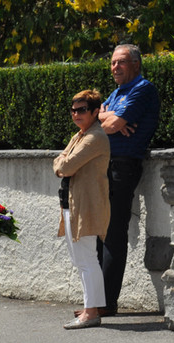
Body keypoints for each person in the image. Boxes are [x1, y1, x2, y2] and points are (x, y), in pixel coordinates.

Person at [96, 44, 160, 317]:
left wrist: (108, 119)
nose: (115, 67)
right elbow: (95, 123)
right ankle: (96, 300)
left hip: (123, 167)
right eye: (112, 63)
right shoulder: (116, 93)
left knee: (113, 234)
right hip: (104, 166)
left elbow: (109, 126)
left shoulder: (143, 89)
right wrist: (106, 117)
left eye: (121, 62)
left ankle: (105, 303)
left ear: (136, 64)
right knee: (100, 233)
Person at [55, 90, 110, 330]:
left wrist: (61, 163)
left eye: (82, 110)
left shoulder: (95, 137)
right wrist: (62, 163)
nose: (76, 114)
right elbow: (62, 163)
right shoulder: (80, 135)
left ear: (95, 112)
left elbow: (65, 165)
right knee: (81, 259)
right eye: (73, 110)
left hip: (87, 206)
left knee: (86, 258)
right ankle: (90, 308)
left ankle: (91, 312)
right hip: (73, 204)